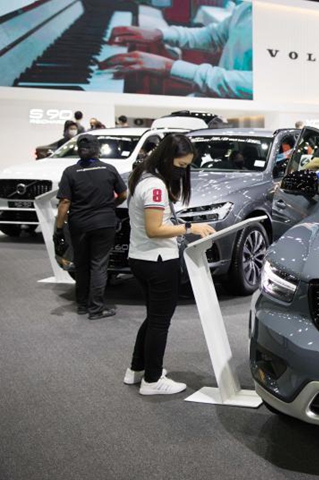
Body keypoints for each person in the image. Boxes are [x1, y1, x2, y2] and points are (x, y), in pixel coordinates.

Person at [125, 134, 215, 395]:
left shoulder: (142, 176)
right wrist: (189, 227)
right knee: (159, 322)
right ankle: (152, 381)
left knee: (153, 317)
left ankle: (137, 369)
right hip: (158, 260)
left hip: (142, 258)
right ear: (167, 159)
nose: (183, 171)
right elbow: (154, 229)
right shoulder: (155, 186)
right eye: (181, 166)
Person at [101, 1, 253, 99]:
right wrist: (160, 34)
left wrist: (169, 66)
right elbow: (214, 36)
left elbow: (253, 85)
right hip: (213, 97)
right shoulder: (249, 7)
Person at [55, 134, 128, 319]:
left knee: (81, 265)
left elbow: (64, 202)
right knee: (99, 265)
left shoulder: (70, 172)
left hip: (79, 224)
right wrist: (111, 205)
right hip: (104, 224)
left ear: (79, 150)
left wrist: (58, 228)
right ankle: (96, 309)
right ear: (98, 149)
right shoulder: (109, 169)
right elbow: (123, 194)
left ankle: (82, 305)